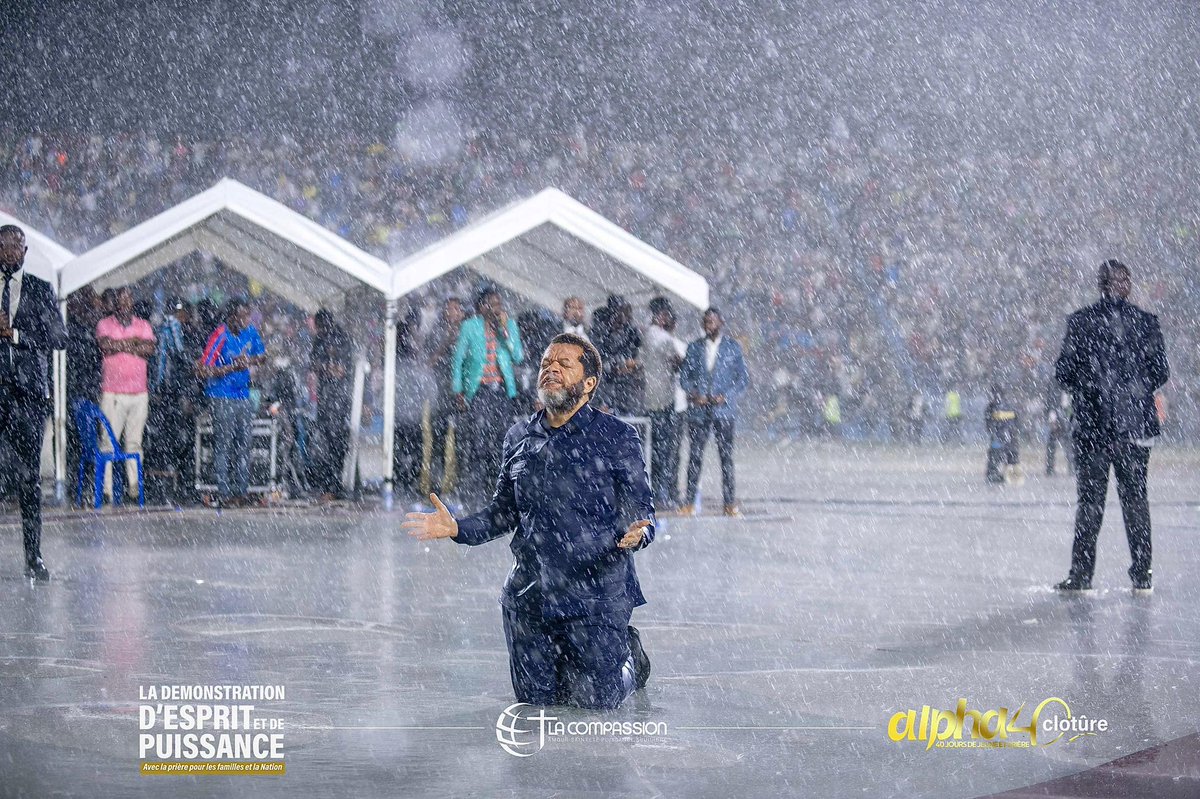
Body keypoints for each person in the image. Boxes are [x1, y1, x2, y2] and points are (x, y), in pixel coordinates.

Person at [403, 333, 653, 709]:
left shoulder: (616, 436)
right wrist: (458, 528)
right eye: (546, 364)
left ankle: (629, 655)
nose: (551, 369)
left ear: (589, 383)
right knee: (537, 700)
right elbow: (504, 511)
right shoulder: (519, 436)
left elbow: (641, 508)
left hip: (596, 593)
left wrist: (642, 531)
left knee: (595, 701)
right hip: (531, 594)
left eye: (564, 364)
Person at [1053, 260, 1169, 593]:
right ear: (1125, 285)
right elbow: (1160, 372)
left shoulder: (1081, 322)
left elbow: (1064, 373)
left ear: (1099, 284)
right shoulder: (1146, 323)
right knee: (1135, 502)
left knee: (1091, 504)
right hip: (1133, 428)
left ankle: (1081, 574)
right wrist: (1131, 392)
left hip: (1094, 427)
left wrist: (1093, 389)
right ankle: (1142, 572)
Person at [0, 225, 67, 579]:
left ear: (25, 251)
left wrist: (15, 333)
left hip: (28, 397)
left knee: (30, 478)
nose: (10, 251)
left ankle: (33, 557)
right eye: (4, 245)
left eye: (16, 245)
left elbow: (59, 337)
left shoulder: (40, 289)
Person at [450, 285, 523, 508]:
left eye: (500, 304)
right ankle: (474, 493)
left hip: (501, 392)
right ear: (482, 307)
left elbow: (518, 357)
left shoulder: (509, 325)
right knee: (477, 441)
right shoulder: (470, 327)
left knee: (502, 442)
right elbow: (458, 360)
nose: (498, 308)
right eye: (494, 304)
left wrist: (505, 332)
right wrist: (458, 391)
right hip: (478, 391)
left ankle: (498, 491)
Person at [197, 299, 267, 508]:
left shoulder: (250, 332)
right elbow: (203, 370)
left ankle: (241, 492)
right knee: (224, 445)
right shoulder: (220, 335)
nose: (247, 320)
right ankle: (225, 493)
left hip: (243, 395)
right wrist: (230, 368)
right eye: (243, 316)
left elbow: (262, 355)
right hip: (222, 395)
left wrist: (250, 361)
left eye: (248, 316)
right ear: (232, 317)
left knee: (244, 446)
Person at [680, 307, 750, 516]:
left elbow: (742, 379)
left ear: (721, 323)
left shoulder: (732, 348)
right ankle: (689, 502)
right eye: (705, 321)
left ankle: (729, 503)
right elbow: (684, 376)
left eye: (712, 321)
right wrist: (694, 394)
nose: (708, 325)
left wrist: (725, 396)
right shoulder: (694, 348)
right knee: (695, 456)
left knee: (726, 458)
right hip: (699, 410)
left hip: (723, 411)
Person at [95, 286, 156, 502]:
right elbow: (105, 345)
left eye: (128, 300)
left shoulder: (143, 325)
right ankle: (107, 490)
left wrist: (120, 345)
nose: (124, 304)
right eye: (121, 300)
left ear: (133, 302)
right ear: (115, 303)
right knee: (108, 443)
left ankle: (134, 488)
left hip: (139, 393)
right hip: (112, 393)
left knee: (134, 443)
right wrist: (134, 343)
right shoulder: (104, 324)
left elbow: (149, 349)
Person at [643, 296, 686, 511]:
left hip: (649, 398)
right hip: (665, 400)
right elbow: (681, 363)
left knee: (655, 448)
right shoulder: (664, 338)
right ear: (661, 316)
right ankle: (663, 494)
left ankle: (657, 492)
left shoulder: (646, 335)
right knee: (665, 449)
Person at [310, 309, 354, 500]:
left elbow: (341, 370)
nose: (320, 331)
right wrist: (327, 368)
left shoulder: (341, 339)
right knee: (326, 443)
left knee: (336, 443)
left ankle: (334, 486)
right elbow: (314, 364)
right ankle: (329, 485)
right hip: (326, 398)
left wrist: (328, 368)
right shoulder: (319, 340)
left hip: (339, 398)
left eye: (321, 327)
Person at [427, 296, 466, 499]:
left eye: (457, 309)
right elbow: (429, 361)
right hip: (441, 394)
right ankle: (435, 486)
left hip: (462, 395)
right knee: (438, 441)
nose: (453, 313)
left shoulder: (468, 332)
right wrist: (446, 342)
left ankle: (461, 486)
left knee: (463, 441)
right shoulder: (436, 332)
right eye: (450, 309)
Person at [984, 383, 1021, 485]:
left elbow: (988, 425)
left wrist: (993, 430)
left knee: (996, 455)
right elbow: (1017, 421)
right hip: (1010, 437)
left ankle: (995, 474)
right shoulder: (1009, 406)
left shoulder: (992, 407)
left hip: (999, 437)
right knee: (1011, 457)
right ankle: (1010, 475)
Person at [1044, 384, 1074, 476]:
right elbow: (1051, 402)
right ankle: (1050, 469)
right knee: (1053, 444)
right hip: (1058, 417)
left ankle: (1071, 468)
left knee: (1068, 444)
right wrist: (1053, 419)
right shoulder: (1055, 385)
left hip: (1067, 416)